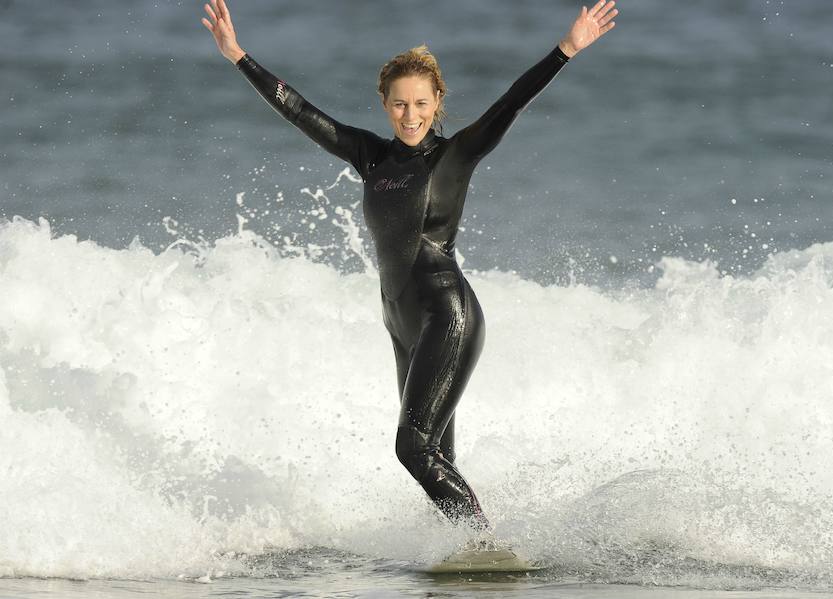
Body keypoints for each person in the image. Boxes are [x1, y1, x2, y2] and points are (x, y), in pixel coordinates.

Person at [203, 0, 617, 531]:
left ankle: (484, 547)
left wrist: (566, 49)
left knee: (412, 449)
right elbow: (301, 111)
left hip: (447, 315)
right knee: (435, 456)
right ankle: (459, 557)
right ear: (384, 103)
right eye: (399, 104)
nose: (410, 115)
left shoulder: (455, 155)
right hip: (402, 324)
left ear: (438, 101)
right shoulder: (371, 157)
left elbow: (511, 102)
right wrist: (238, 57)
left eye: (421, 103)